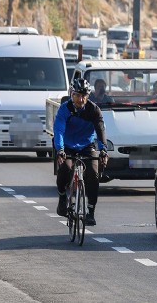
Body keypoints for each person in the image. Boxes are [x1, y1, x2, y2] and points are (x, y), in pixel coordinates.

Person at [53, 78, 108, 226]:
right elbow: (58, 130)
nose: (80, 99)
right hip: (67, 145)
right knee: (64, 168)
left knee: (93, 173)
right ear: (72, 95)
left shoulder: (93, 110)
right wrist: (61, 149)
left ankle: (90, 211)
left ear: (88, 96)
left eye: (84, 95)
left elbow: (100, 129)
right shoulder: (65, 109)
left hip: (87, 145)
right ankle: (63, 197)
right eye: (77, 95)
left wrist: (103, 150)